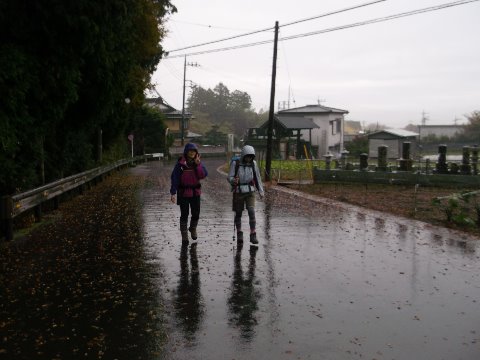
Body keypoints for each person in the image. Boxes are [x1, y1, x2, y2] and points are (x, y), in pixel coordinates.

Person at [170, 143, 208, 245]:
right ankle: (184, 236)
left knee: (196, 213)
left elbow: (203, 175)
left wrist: (198, 165)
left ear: (196, 153)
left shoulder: (198, 163)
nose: (192, 152)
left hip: (195, 193)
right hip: (183, 193)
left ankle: (192, 228)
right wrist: (173, 192)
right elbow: (175, 179)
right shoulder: (180, 165)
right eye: (190, 151)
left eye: (194, 151)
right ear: (186, 152)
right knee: (184, 214)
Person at [227, 145, 264, 246]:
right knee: (238, 213)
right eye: (247, 156)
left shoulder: (253, 164)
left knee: (251, 211)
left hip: (250, 191)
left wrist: (261, 191)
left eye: (251, 157)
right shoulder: (236, 163)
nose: (249, 159)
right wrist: (233, 180)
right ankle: (239, 233)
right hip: (238, 191)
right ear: (243, 155)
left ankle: (253, 234)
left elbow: (257, 177)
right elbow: (229, 177)